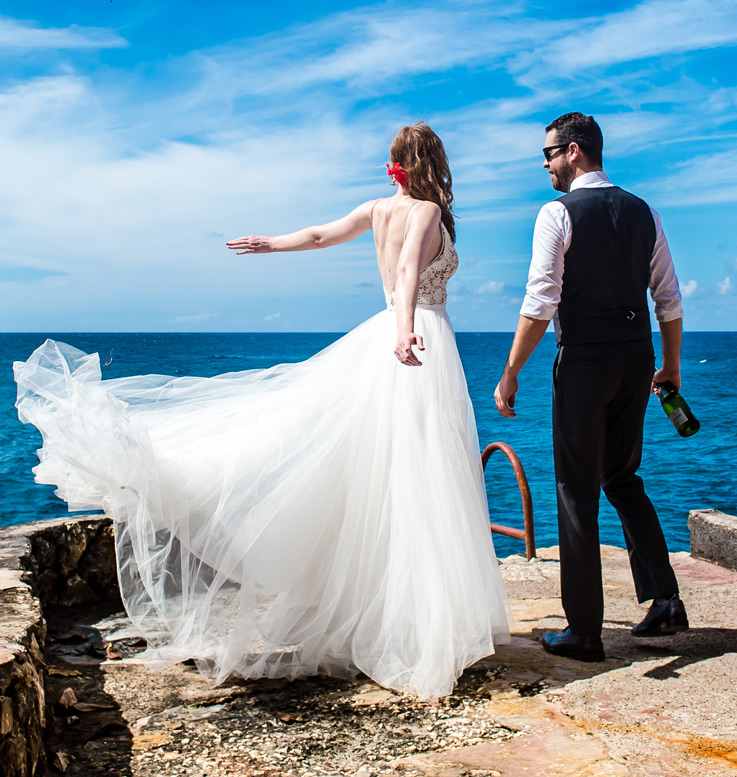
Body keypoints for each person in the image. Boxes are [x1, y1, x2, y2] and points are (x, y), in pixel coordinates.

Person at [15, 122, 511, 700]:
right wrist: (405, 331)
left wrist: (271, 243)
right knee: (421, 479)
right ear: (435, 161)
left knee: (385, 478)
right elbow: (406, 274)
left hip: (388, 338)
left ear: (394, 163)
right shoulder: (424, 210)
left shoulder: (376, 209)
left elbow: (323, 235)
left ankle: (393, 617)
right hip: (418, 339)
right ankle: (416, 626)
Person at [493, 112, 688, 663]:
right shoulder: (644, 211)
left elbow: (540, 301)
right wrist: (671, 367)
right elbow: (668, 298)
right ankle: (666, 598)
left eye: (550, 153)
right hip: (636, 356)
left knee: (577, 491)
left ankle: (583, 631)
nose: (547, 165)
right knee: (623, 477)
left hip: (583, 360)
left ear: (575, 151)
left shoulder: (556, 212)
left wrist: (510, 372)